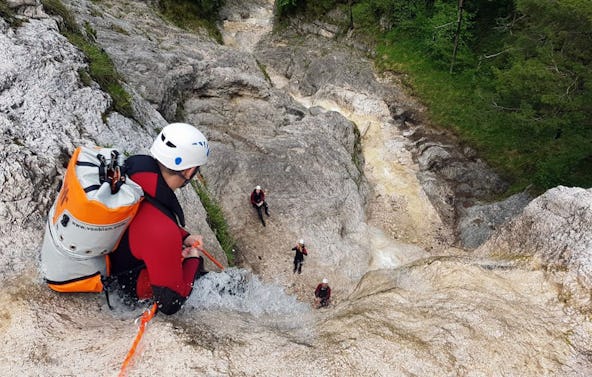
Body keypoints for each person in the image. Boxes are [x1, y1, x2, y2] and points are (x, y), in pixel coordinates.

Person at [108, 122, 210, 315]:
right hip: (126, 285)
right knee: (198, 274)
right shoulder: (162, 230)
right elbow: (170, 302)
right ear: (189, 171)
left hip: (116, 254)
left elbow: (145, 215)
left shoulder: (135, 169)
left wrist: (184, 236)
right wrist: (193, 261)